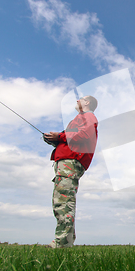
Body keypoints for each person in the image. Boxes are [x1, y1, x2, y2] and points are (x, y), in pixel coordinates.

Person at [44, 96, 98, 248]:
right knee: (61, 201)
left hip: (70, 163)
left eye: (80, 99)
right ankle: (65, 241)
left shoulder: (88, 116)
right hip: (66, 162)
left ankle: (62, 243)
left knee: (64, 202)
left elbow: (85, 135)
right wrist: (56, 140)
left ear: (87, 103)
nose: (77, 101)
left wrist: (59, 136)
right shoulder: (81, 118)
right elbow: (73, 138)